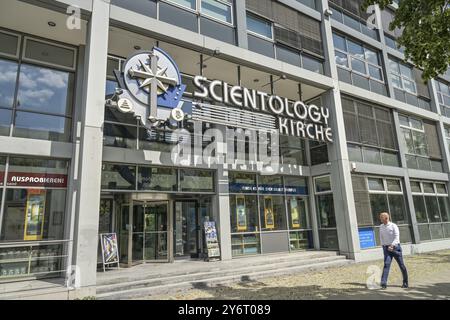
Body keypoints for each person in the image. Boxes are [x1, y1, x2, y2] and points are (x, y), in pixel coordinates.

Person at [379, 212, 408, 289]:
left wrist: (392, 245)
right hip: (386, 249)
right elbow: (381, 237)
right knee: (386, 265)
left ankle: (405, 282)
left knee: (401, 265)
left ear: (386, 218)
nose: (380, 219)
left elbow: (397, 237)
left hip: (395, 248)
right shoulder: (381, 226)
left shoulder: (393, 226)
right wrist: (383, 247)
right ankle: (383, 283)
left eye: (381, 217)